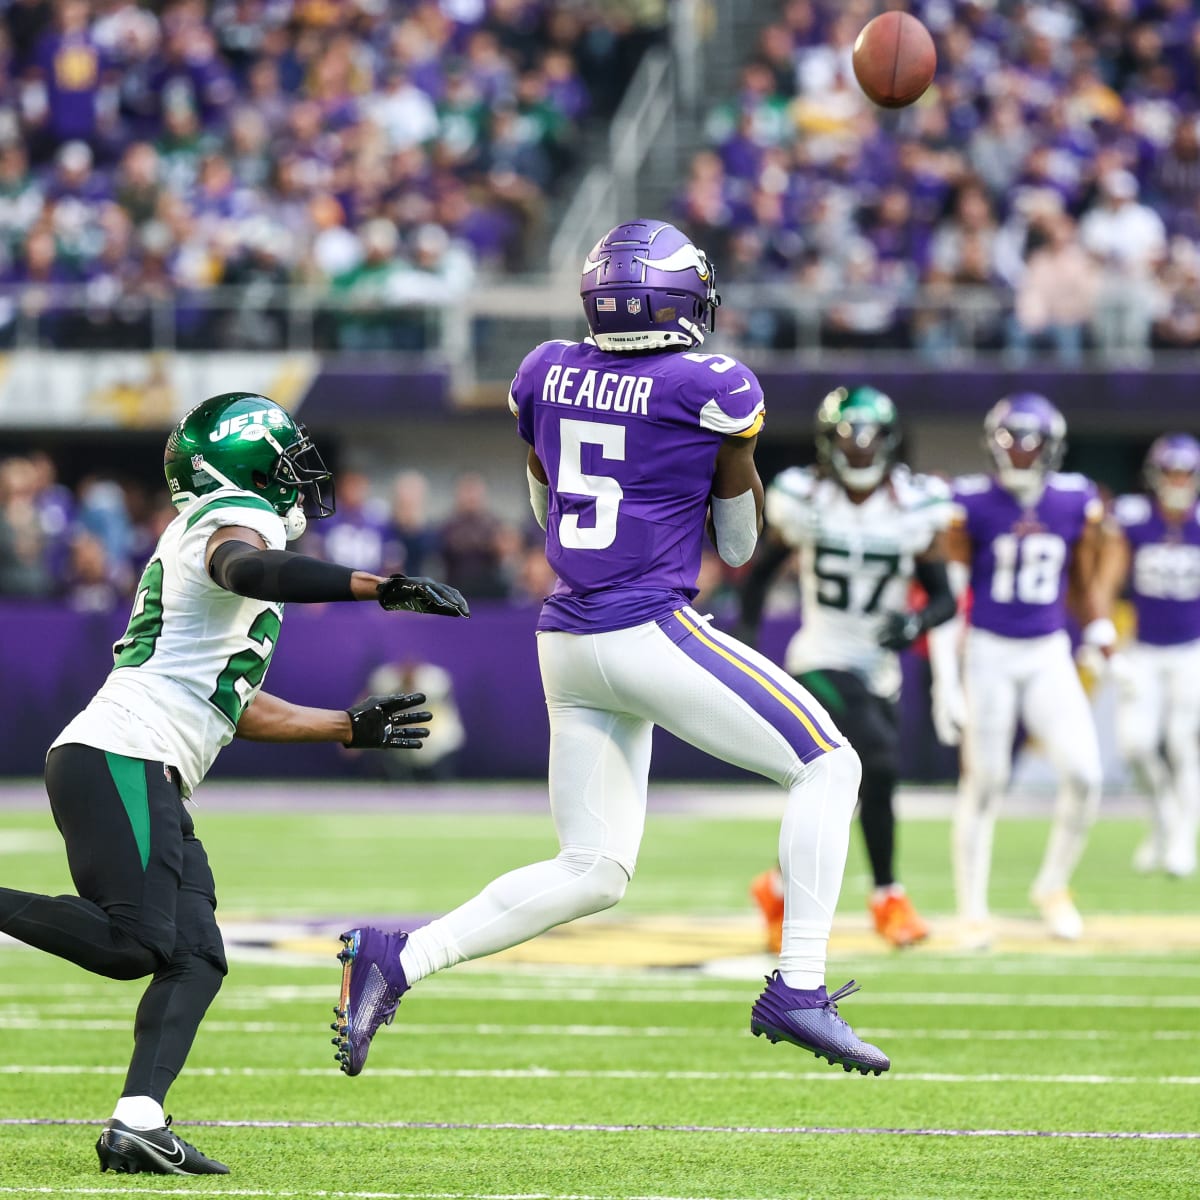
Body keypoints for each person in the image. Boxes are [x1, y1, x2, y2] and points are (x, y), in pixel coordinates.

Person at [332, 220, 890, 1081]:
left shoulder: (543, 370)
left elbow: (543, 494)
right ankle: (801, 985)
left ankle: (396, 959)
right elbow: (740, 547)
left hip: (566, 637)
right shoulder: (714, 385)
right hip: (644, 627)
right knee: (829, 763)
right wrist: (725, 460)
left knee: (592, 869)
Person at [0, 392, 469, 1176]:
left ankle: (138, 1122)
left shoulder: (214, 530)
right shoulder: (229, 523)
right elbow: (248, 565)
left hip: (143, 763)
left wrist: (345, 727)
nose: (298, 478)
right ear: (242, 468)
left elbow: (230, 700)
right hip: (123, 753)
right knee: (135, 943)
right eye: (285, 461)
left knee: (197, 953)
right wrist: (376, 586)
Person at [739, 386, 958, 951]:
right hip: (819, 659)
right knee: (878, 765)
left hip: (879, 669)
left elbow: (943, 598)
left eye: (869, 440)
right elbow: (759, 574)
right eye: (848, 439)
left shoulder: (916, 504)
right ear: (828, 442)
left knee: (861, 788)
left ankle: (779, 888)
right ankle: (888, 897)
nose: (859, 451)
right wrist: (746, 646)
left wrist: (914, 624)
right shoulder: (805, 498)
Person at [928, 394, 1108, 947]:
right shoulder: (969, 502)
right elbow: (948, 598)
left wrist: (1099, 631)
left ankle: (1052, 887)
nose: (1022, 457)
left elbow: (1082, 578)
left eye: (1032, 448)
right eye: (1013, 446)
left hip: (1047, 650)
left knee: (1085, 774)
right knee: (986, 782)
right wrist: (945, 680)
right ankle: (973, 911)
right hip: (988, 651)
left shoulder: (1076, 499)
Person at [1097, 435, 1200, 878]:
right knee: (1135, 745)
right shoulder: (1136, 520)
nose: (1178, 480)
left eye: (1185, 472)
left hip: (1192, 649)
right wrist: (1102, 632)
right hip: (1144, 649)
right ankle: (1161, 822)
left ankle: (1182, 839)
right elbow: (1108, 579)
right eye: (1171, 471)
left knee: (1181, 742)